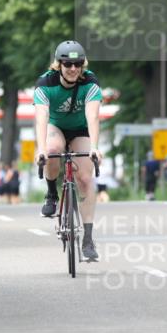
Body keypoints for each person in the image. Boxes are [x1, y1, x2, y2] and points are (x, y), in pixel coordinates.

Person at [34, 40, 103, 261]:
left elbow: (93, 116)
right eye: (68, 64)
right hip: (56, 126)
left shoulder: (90, 82)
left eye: (77, 64)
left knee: (84, 178)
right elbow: (41, 117)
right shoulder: (45, 83)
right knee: (53, 150)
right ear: (58, 65)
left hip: (81, 128)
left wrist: (94, 148)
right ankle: (52, 192)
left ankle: (88, 239)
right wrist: (41, 150)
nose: (73, 69)